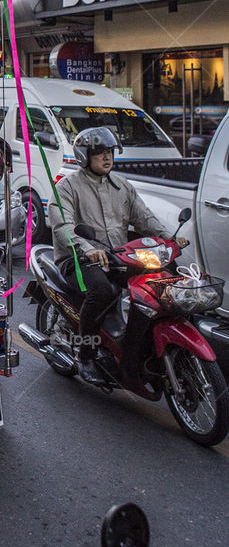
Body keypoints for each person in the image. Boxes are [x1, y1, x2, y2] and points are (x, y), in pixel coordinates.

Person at [48, 125, 185, 385]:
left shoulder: (123, 186)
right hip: (77, 259)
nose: (107, 157)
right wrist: (88, 249)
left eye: (110, 151)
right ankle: (86, 354)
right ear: (83, 156)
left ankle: (136, 348)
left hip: (118, 257)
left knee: (163, 286)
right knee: (103, 292)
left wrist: (170, 239)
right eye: (99, 152)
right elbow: (62, 226)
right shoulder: (67, 187)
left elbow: (144, 218)